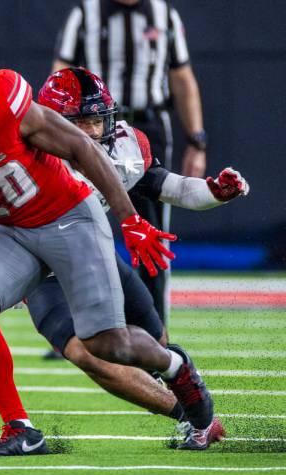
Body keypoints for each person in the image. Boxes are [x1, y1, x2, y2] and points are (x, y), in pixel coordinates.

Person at [0, 30, 211, 456]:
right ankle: (19, 428)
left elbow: (81, 147)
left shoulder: (0, 95)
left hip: (68, 217)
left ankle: (175, 366)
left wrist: (130, 221)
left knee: (104, 343)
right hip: (9, 230)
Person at [26, 67, 248, 449]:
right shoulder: (25, 156)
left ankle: (198, 418)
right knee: (86, 352)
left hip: (94, 256)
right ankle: (186, 416)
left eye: (97, 120)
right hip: (40, 267)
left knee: (155, 346)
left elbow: (170, 187)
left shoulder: (125, 148)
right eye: (78, 123)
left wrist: (214, 192)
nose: (92, 133)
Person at [53, 0, 208, 323]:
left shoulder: (163, 14)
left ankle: (154, 328)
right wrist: (56, 130)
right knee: (69, 227)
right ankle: (72, 323)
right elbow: (60, 75)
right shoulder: (86, 12)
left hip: (144, 128)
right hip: (86, 130)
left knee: (151, 229)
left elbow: (182, 77)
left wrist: (197, 140)